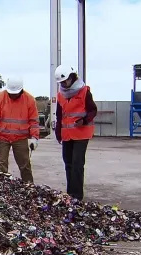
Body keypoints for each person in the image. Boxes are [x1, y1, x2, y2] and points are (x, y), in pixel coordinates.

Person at [53, 65, 98, 201]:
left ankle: (77, 196)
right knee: (68, 163)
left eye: (64, 81)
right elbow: (60, 115)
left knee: (77, 163)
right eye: (60, 82)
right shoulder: (61, 94)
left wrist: (84, 120)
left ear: (72, 78)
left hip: (81, 133)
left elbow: (93, 111)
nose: (62, 84)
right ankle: (70, 192)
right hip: (67, 134)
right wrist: (58, 132)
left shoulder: (84, 92)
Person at [0, 77, 40, 183]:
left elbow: (33, 121)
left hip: (21, 138)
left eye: (16, 93)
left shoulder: (29, 100)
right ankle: (1, 187)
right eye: (11, 93)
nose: (13, 95)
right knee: (1, 165)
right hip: (2, 137)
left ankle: (29, 186)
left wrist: (34, 137)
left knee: (25, 165)